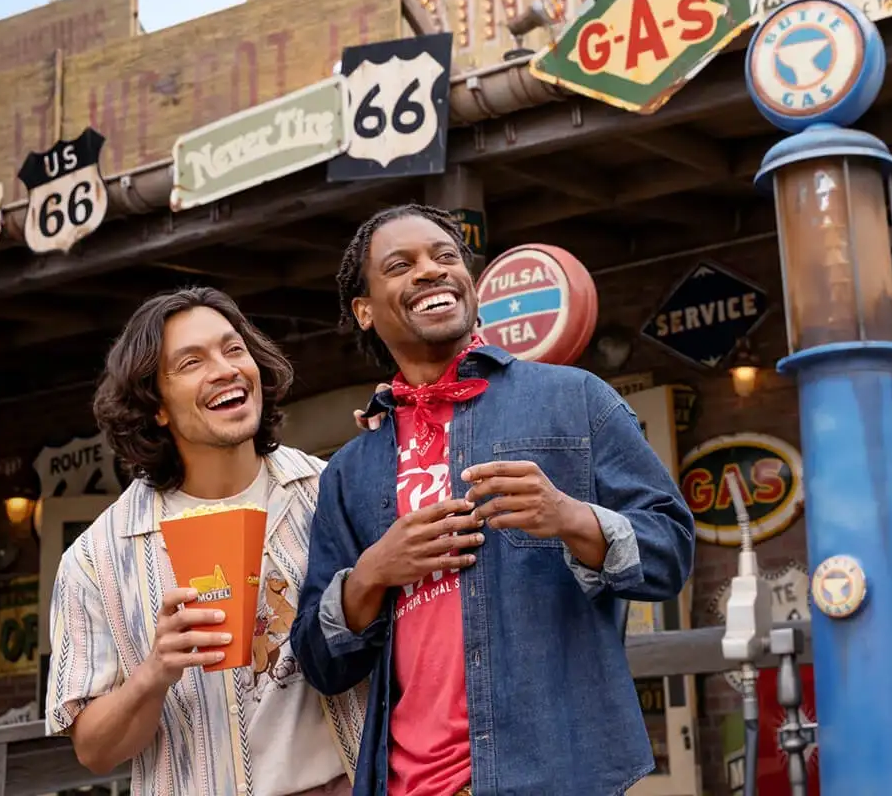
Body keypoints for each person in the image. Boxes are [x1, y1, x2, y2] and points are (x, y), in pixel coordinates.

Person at [290, 204, 695, 796]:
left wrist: (571, 518)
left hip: (555, 776)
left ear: (471, 285)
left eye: (446, 256)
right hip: (406, 783)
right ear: (365, 311)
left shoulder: (575, 400)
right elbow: (321, 662)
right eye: (401, 265)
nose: (431, 271)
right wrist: (371, 574)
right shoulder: (352, 469)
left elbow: (672, 554)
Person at [45, 287, 367, 796]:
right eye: (191, 362)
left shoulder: (332, 492)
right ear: (156, 408)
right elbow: (94, 750)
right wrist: (156, 672)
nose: (225, 369)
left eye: (234, 349)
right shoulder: (95, 558)